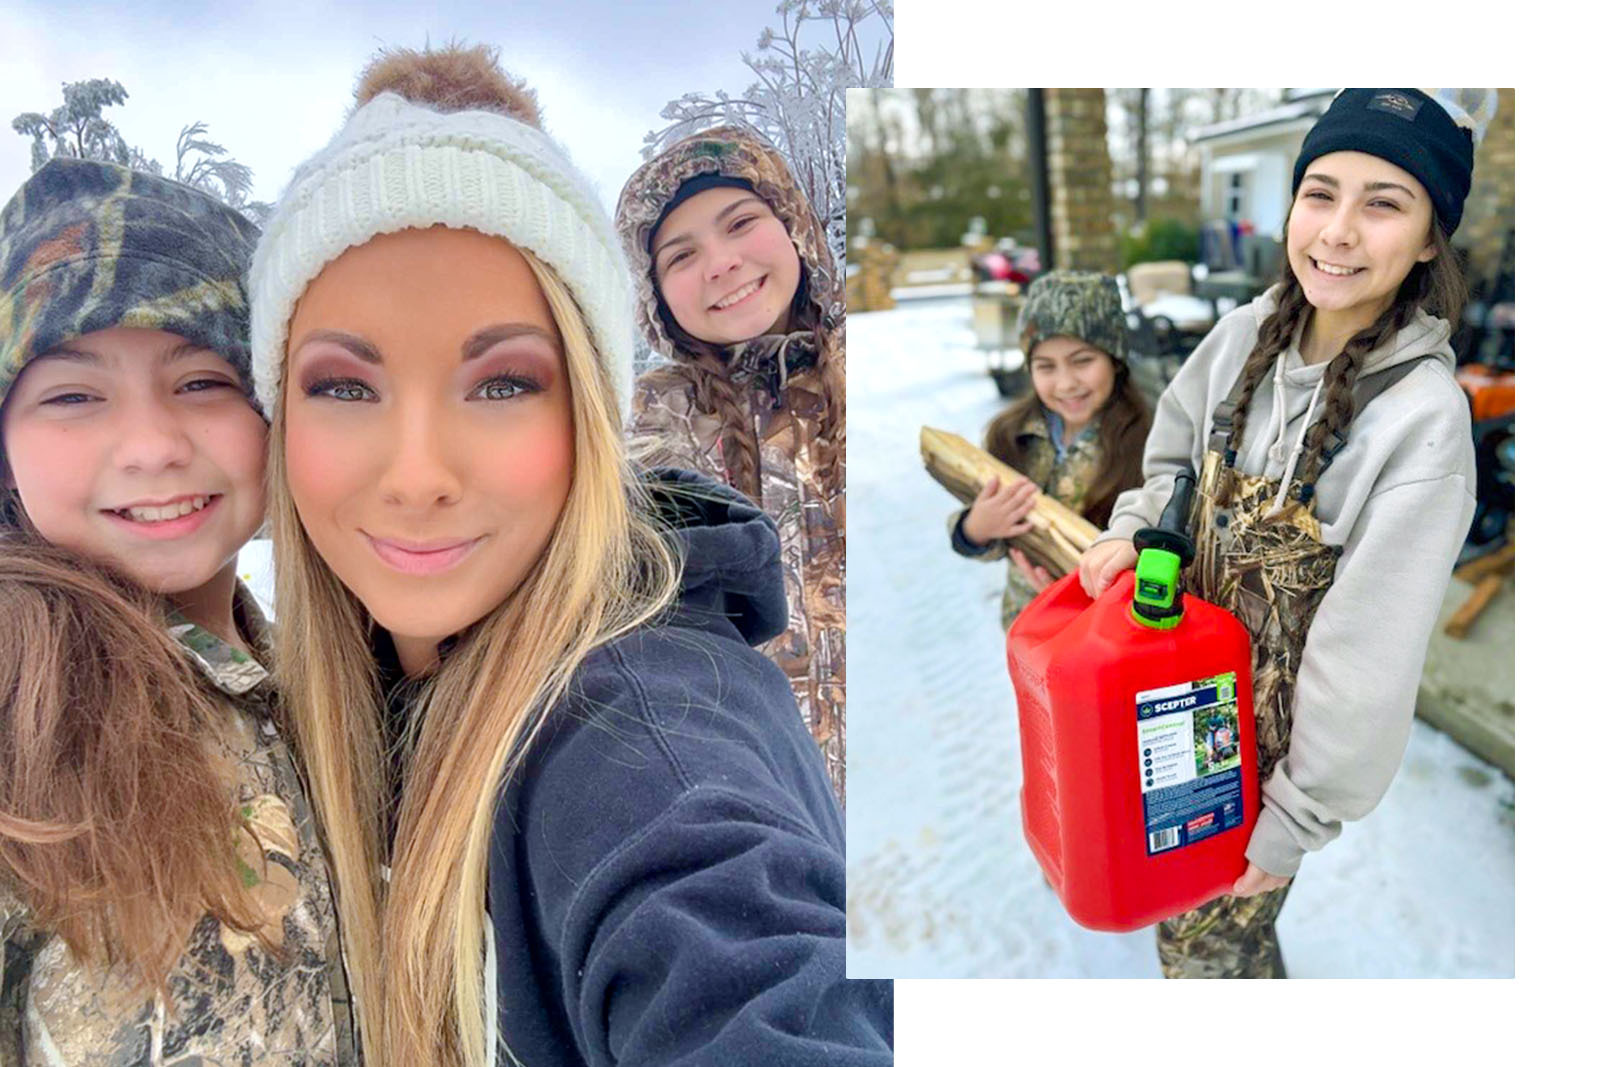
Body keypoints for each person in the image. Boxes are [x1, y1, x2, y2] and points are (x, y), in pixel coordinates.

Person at [247, 45, 891, 1066]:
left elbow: (734, 957)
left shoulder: (632, 738)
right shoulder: (340, 702)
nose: (417, 475)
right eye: (344, 386)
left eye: (503, 383)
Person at [1074, 88, 1477, 978]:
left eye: (1384, 204)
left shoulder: (1421, 422)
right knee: (1179, 918)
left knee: (1212, 955)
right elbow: (1171, 464)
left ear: (1429, 239)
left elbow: (1365, 658)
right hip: (1169, 703)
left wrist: (1295, 816)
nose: (1337, 230)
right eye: (1319, 193)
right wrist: (1136, 530)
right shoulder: (1242, 335)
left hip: (1259, 775)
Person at [0, 159, 354, 1062]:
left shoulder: (321, 673)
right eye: (72, 396)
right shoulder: (18, 698)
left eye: (201, 381)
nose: (153, 446)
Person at [616, 129, 846, 799]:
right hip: (754, 807)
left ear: (794, 225)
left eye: (740, 223)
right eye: (681, 255)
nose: (720, 263)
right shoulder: (642, 434)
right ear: (657, 294)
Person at [949, 270, 1152, 630]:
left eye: (1082, 361)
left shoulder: (1148, 440)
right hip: (1027, 626)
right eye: (1046, 366)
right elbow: (989, 524)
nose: (1066, 383)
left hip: (1107, 630)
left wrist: (1078, 591)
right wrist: (976, 528)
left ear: (1115, 358)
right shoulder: (1010, 436)